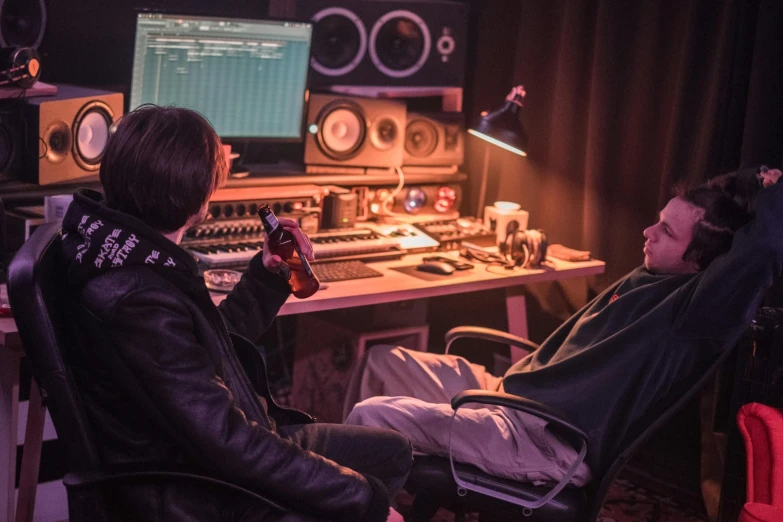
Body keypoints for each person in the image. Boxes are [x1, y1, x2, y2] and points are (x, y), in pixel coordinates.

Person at [58, 105, 411, 522]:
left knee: (391, 451)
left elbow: (203, 349)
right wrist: (364, 503)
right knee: (369, 489)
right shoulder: (139, 299)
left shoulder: (125, 251)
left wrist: (265, 278)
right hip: (199, 487)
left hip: (211, 450)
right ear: (199, 194)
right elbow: (228, 440)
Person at [345, 166, 783, 487]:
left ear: (700, 260)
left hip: (546, 440)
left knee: (373, 414)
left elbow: (759, 251)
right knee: (381, 361)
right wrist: (749, 181)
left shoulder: (694, 312)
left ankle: (347, 502)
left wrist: (774, 191)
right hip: (508, 395)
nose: (648, 232)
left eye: (666, 231)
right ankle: (354, 497)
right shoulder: (652, 275)